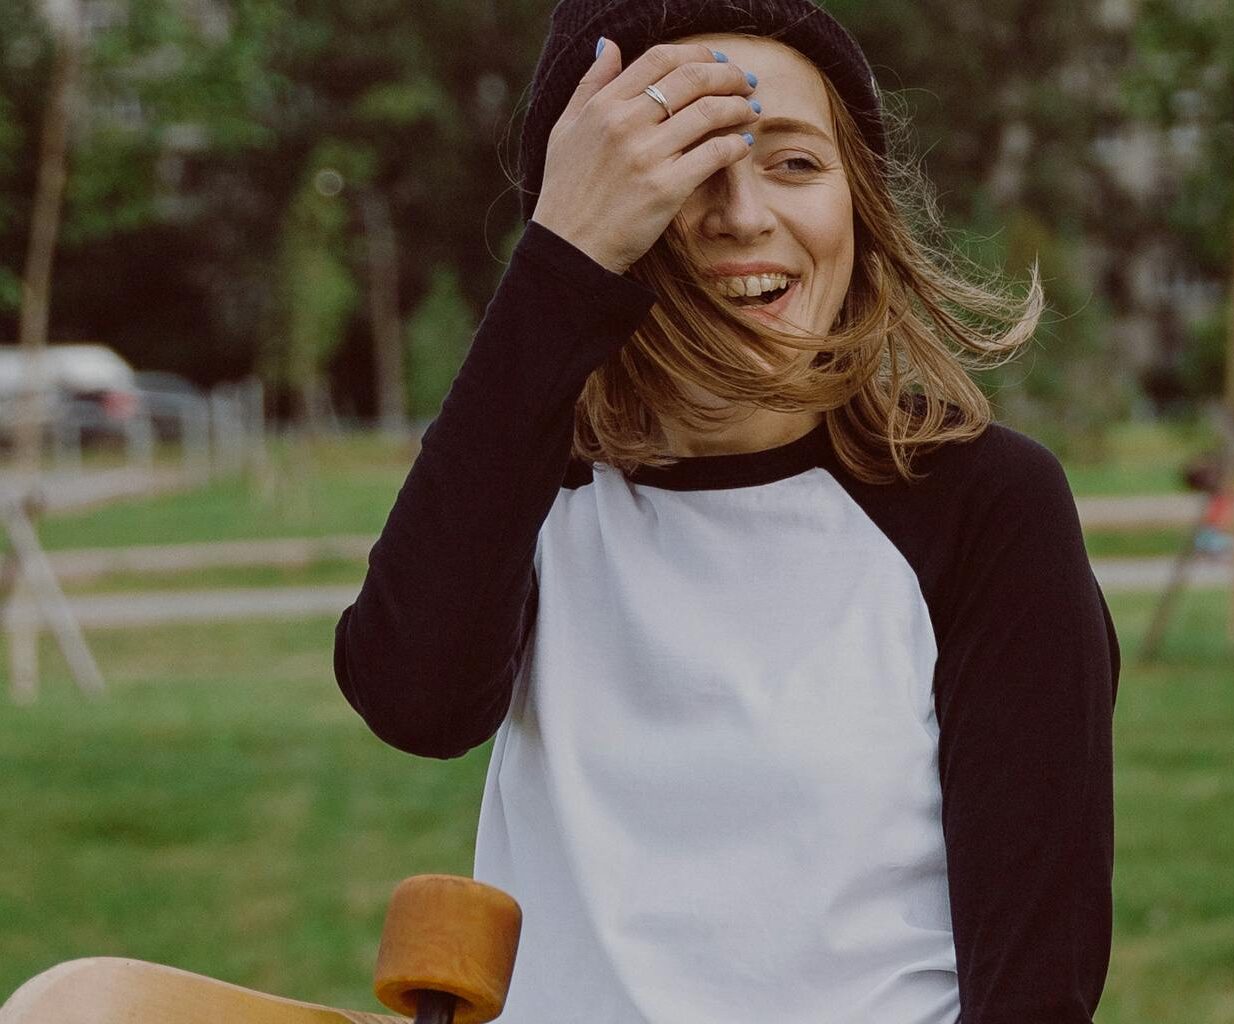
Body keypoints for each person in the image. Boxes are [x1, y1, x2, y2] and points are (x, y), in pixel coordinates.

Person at [333, 3, 1117, 1021]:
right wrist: (558, 265)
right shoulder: (526, 486)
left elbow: (1037, 981)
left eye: (794, 163)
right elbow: (415, 702)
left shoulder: (983, 505)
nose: (743, 214)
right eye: (682, 165)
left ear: (859, 206)